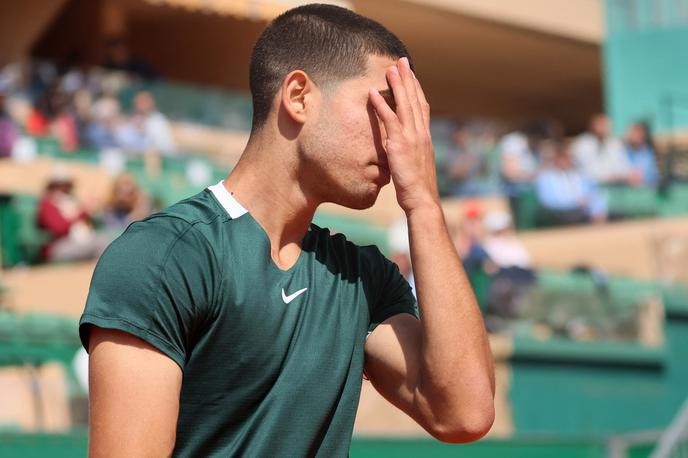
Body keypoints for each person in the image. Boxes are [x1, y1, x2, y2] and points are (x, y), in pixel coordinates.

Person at [80, 5, 495, 457]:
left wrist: (424, 204)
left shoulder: (363, 278)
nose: (399, 142)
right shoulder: (165, 256)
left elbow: (463, 413)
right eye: (384, 109)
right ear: (299, 96)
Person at [36, 166, 109, 262]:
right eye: (58, 185)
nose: (63, 189)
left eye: (66, 185)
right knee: (100, 243)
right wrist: (82, 211)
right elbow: (59, 229)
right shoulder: (48, 204)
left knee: (102, 240)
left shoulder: (71, 201)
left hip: (76, 242)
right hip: (57, 247)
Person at [535, 141, 607, 226]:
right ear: (555, 159)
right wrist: (575, 202)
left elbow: (593, 193)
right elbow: (548, 201)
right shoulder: (546, 178)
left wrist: (593, 205)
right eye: (560, 158)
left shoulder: (580, 175)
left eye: (566, 158)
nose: (564, 161)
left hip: (584, 210)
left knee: (601, 211)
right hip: (561, 213)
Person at [571, 114, 642, 186]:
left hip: (615, 186)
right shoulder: (582, 144)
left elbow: (623, 165)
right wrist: (612, 177)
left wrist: (628, 174)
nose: (603, 128)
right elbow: (588, 172)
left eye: (606, 125)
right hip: (590, 187)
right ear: (593, 126)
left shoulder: (614, 144)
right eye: (600, 125)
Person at [624, 121, 659, 187]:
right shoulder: (624, 152)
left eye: (636, 133)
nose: (632, 136)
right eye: (632, 133)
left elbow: (652, 175)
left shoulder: (647, 153)